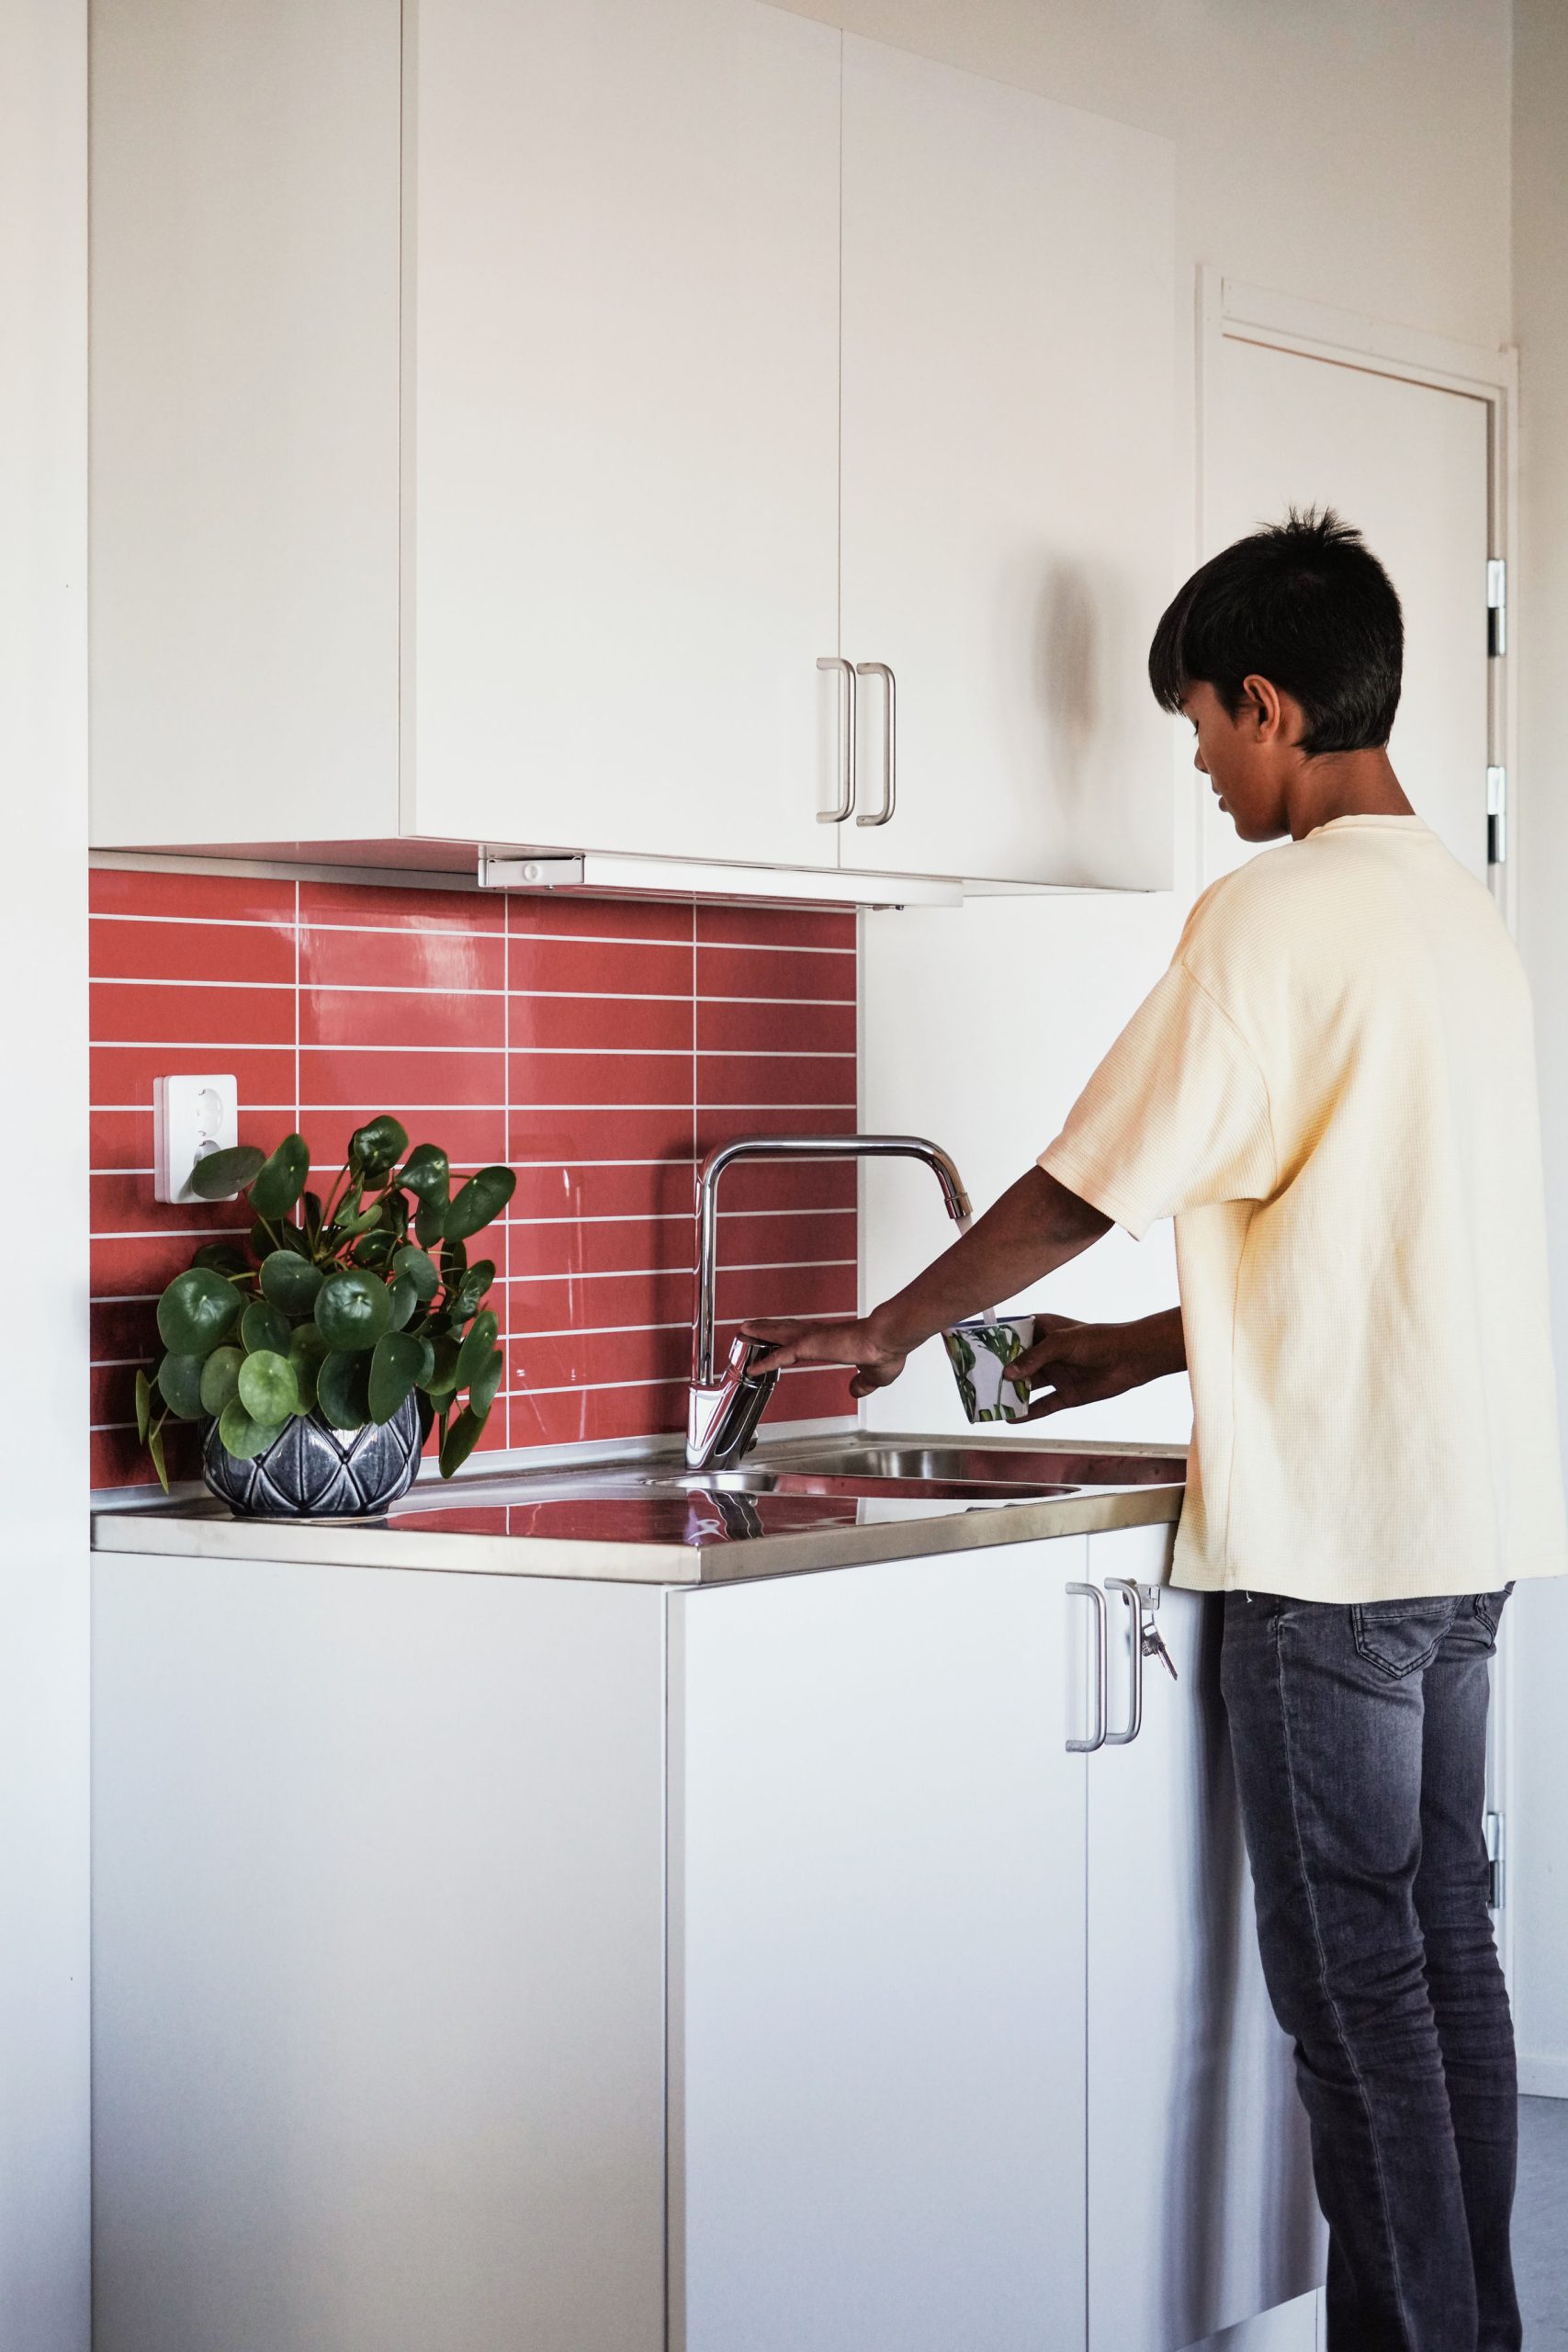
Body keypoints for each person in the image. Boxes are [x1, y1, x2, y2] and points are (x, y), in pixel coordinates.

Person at [744, 509, 1567, 2352]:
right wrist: (1125, 1353)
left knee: (1360, 2003)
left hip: (1334, 1556)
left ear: (1268, 702)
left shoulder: (1269, 914)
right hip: (1458, 1537)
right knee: (1441, 1964)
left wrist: (887, 1320)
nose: (1193, 762)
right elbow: (1365, 1232)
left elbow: (1077, 1180)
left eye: (1197, 719)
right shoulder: (1455, 912)